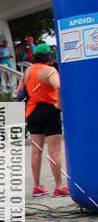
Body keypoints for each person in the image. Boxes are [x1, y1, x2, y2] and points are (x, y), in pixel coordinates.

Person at [23, 43, 69, 197]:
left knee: (36, 151)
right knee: (54, 151)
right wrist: (59, 106)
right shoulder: (49, 71)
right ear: (48, 56)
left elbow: (20, 90)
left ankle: (37, 186)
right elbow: (59, 87)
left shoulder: (28, 71)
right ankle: (59, 186)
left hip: (32, 111)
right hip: (49, 110)